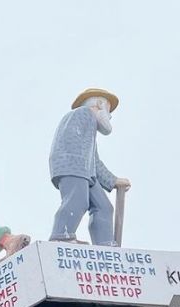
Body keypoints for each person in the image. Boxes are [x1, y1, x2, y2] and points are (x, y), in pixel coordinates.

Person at [48, 89, 131, 246]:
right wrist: (77, 171)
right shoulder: (82, 114)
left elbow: (94, 159)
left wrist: (113, 181)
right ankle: (61, 235)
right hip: (73, 166)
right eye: (108, 110)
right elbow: (70, 144)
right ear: (99, 104)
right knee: (77, 200)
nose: (110, 116)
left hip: (87, 171)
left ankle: (105, 245)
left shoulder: (90, 126)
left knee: (104, 207)